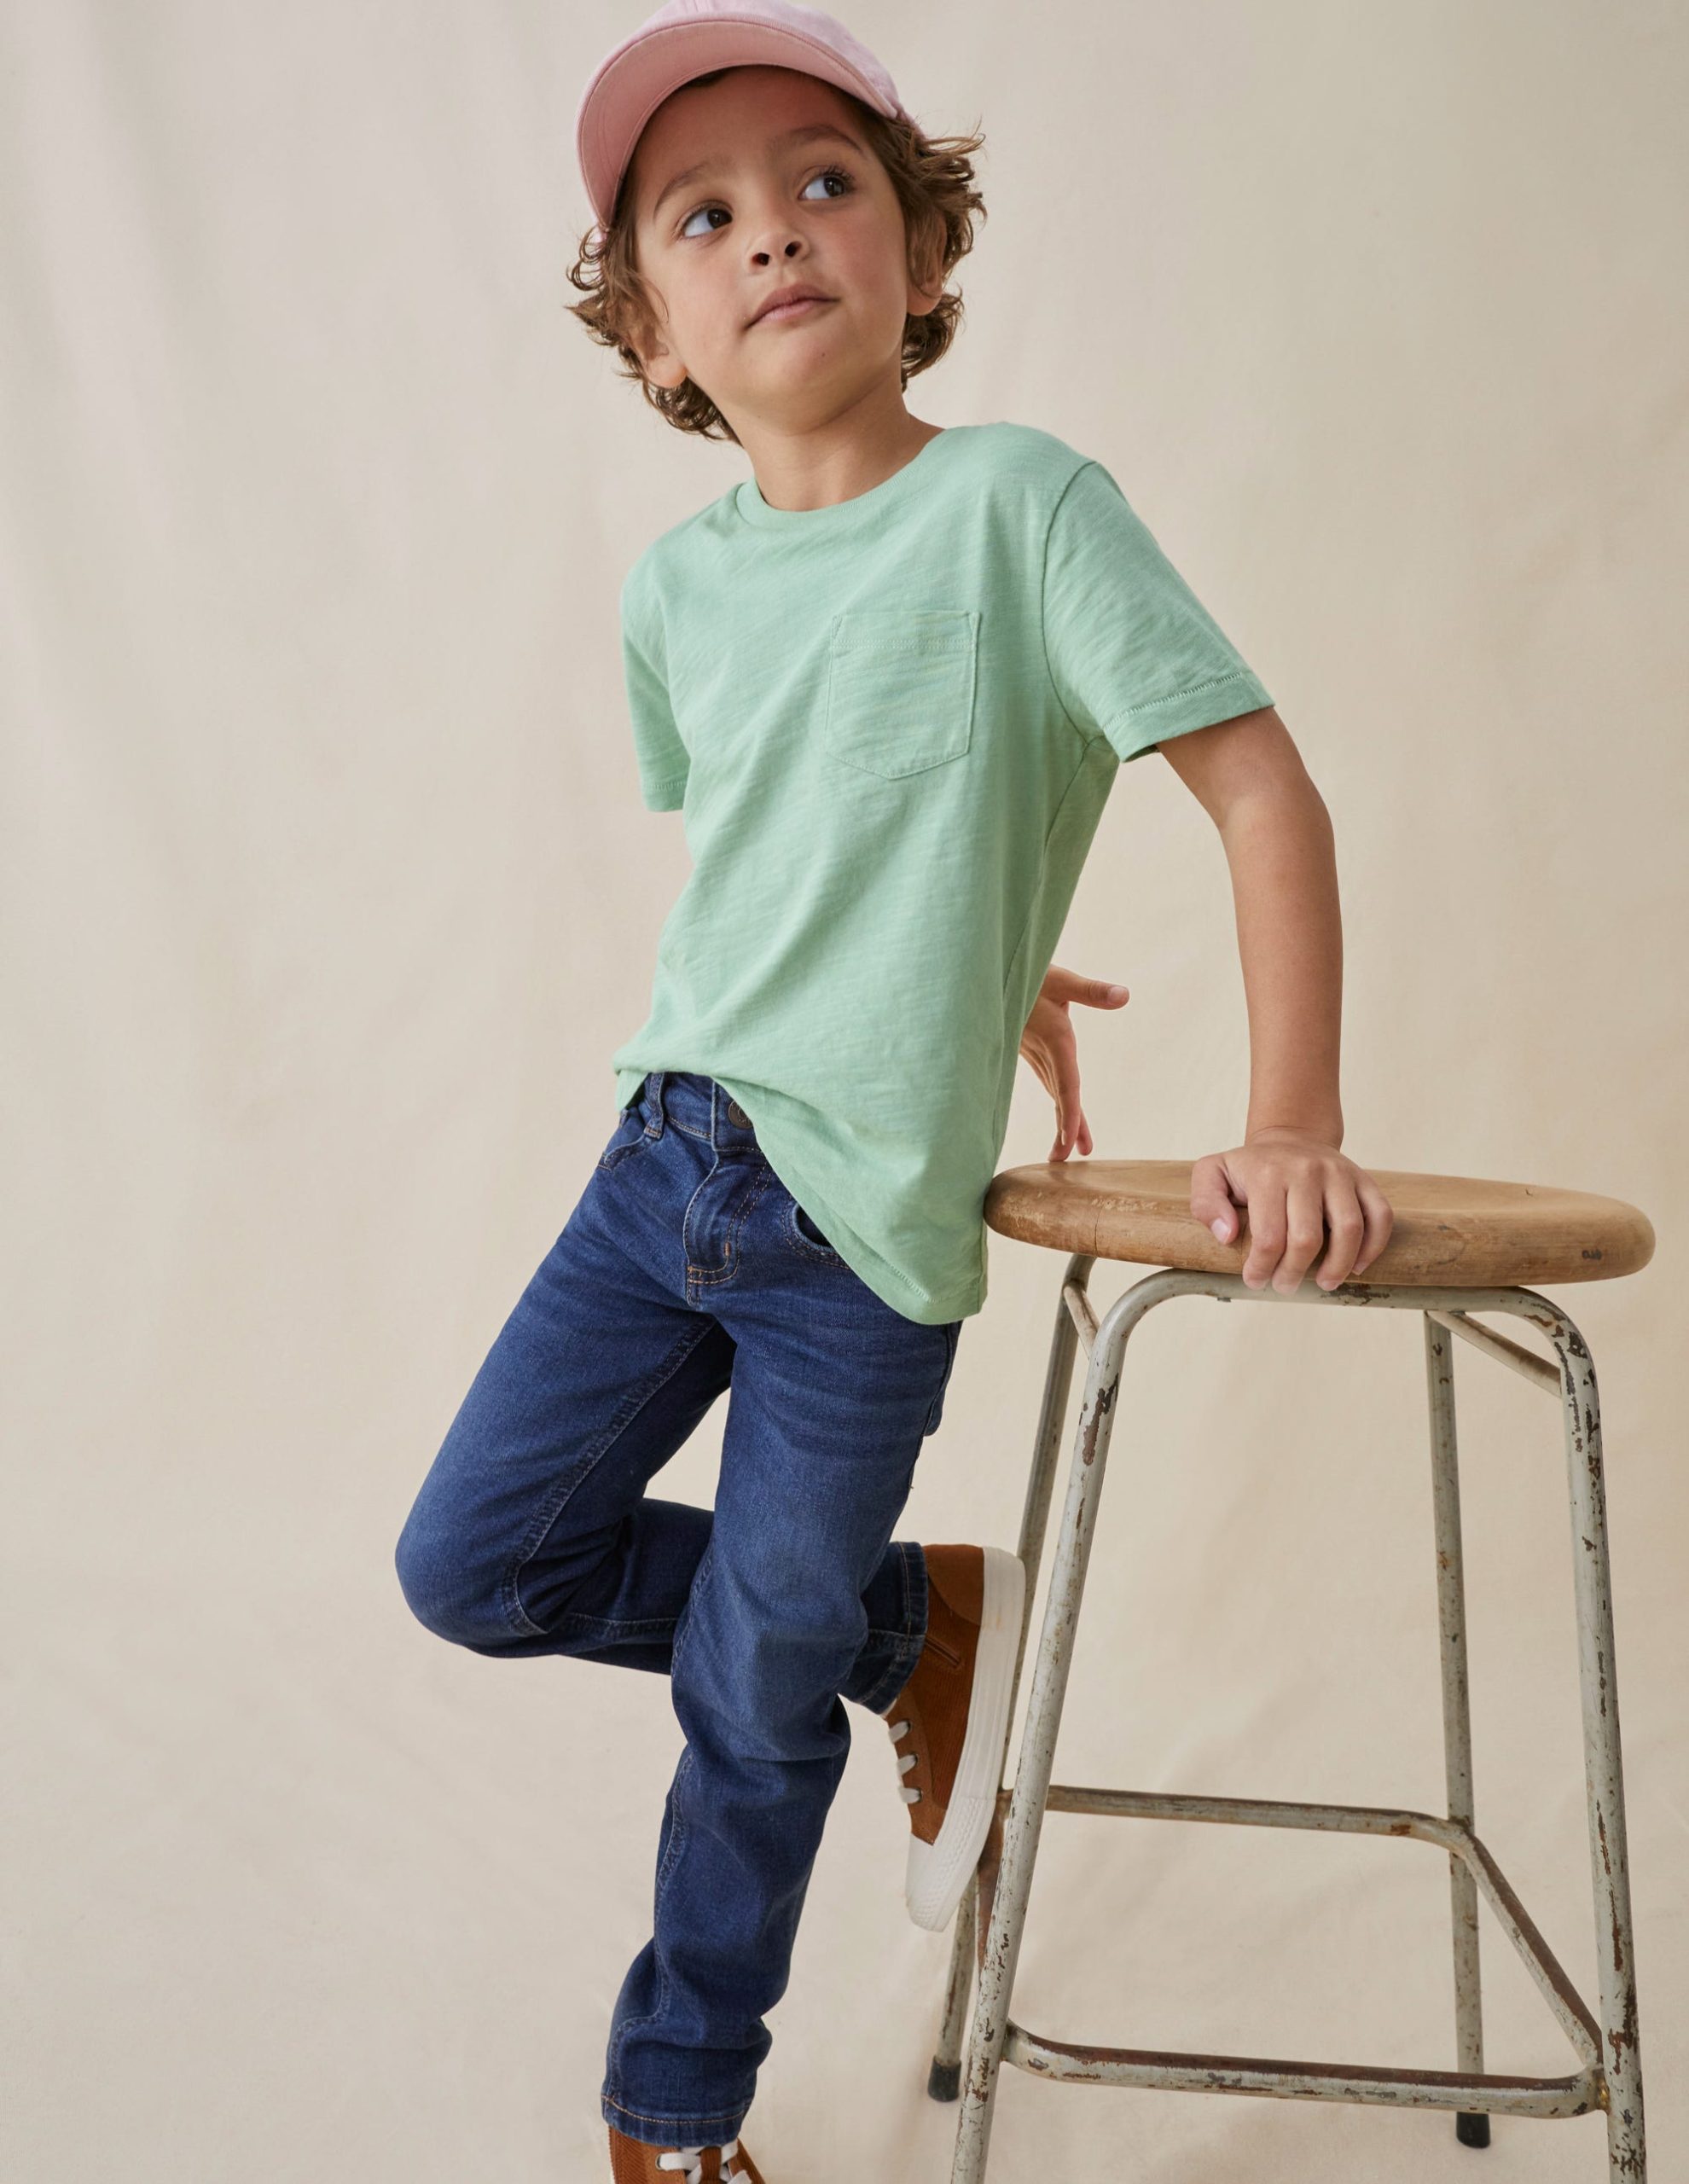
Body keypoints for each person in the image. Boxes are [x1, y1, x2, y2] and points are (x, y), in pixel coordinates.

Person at [396, 4, 1396, 2177]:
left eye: (826, 183)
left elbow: (1262, 790)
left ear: (924, 257)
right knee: (474, 1558)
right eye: (703, 217)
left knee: (752, 1696)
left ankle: (676, 2112)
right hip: (664, 1162)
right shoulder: (677, 591)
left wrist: (1293, 1114)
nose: (774, 233)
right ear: (652, 338)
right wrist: (982, 957)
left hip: (855, 1242)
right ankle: (911, 1616)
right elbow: (809, 844)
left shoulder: (1023, 505)